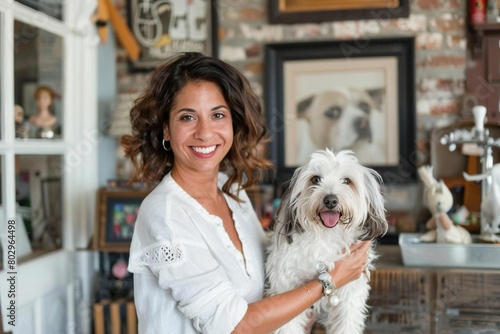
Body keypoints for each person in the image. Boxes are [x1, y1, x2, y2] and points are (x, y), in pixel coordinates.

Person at [124, 52, 371, 334]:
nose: (205, 133)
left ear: (234, 123)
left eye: (218, 115)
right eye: (188, 117)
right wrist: (330, 281)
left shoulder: (234, 195)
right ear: (166, 129)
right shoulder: (165, 214)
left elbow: (275, 283)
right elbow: (233, 326)